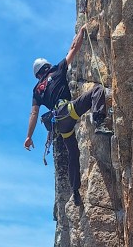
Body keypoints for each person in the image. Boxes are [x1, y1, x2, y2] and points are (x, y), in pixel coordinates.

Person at [24, 27, 110, 205]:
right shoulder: (57, 70)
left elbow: (34, 113)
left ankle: (75, 191)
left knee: (73, 153)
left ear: (37, 75)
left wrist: (29, 136)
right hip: (68, 110)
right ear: (47, 67)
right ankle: (99, 122)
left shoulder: (37, 90)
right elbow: (74, 48)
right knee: (97, 90)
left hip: (60, 124)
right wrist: (82, 31)